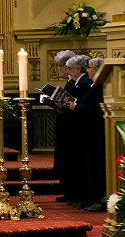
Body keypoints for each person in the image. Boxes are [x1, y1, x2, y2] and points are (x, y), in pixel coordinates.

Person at [67, 56, 105, 212]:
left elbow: (95, 109)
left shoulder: (99, 86)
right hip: (89, 132)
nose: (87, 70)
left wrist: (76, 107)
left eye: (89, 68)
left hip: (95, 132)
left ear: (96, 70)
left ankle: (99, 198)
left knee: (96, 167)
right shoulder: (95, 85)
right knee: (91, 166)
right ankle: (92, 197)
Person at [59, 54, 92, 208]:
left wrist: (73, 106)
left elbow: (86, 104)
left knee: (80, 164)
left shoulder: (85, 82)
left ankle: (79, 195)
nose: (67, 71)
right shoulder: (75, 82)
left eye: (70, 68)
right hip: (73, 124)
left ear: (79, 68)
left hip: (81, 126)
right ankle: (73, 193)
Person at [50, 49, 75, 204]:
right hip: (66, 123)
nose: (60, 69)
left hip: (72, 125)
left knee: (70, 160)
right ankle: (67, 190)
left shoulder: (78, 81)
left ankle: (71, 192)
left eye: (61, 66)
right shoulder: (71, 80)